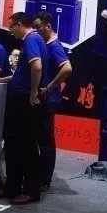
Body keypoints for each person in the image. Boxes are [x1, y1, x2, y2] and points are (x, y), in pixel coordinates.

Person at [0, 12, 49, 204]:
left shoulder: (31, 40)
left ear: (19, 24)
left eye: (11, 26)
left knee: (26, 146)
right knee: (14, 145)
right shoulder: (34, 40)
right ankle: (12, 187)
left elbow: (37, 67)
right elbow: (22, 73)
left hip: (25, 100)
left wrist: (33, 92)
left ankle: (30, 190)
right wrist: (3, 79)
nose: (10, 31)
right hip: (21, 97)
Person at [33, 11, 73, 191]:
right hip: (43, 98)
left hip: (48, 100)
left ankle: (44, 179)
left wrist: (49, 87)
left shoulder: (54, 46)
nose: (35, 30)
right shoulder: (44, 44)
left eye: (38, 27)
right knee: (40, 139)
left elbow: (67, 68)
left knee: (46, 141)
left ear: (48, 26)